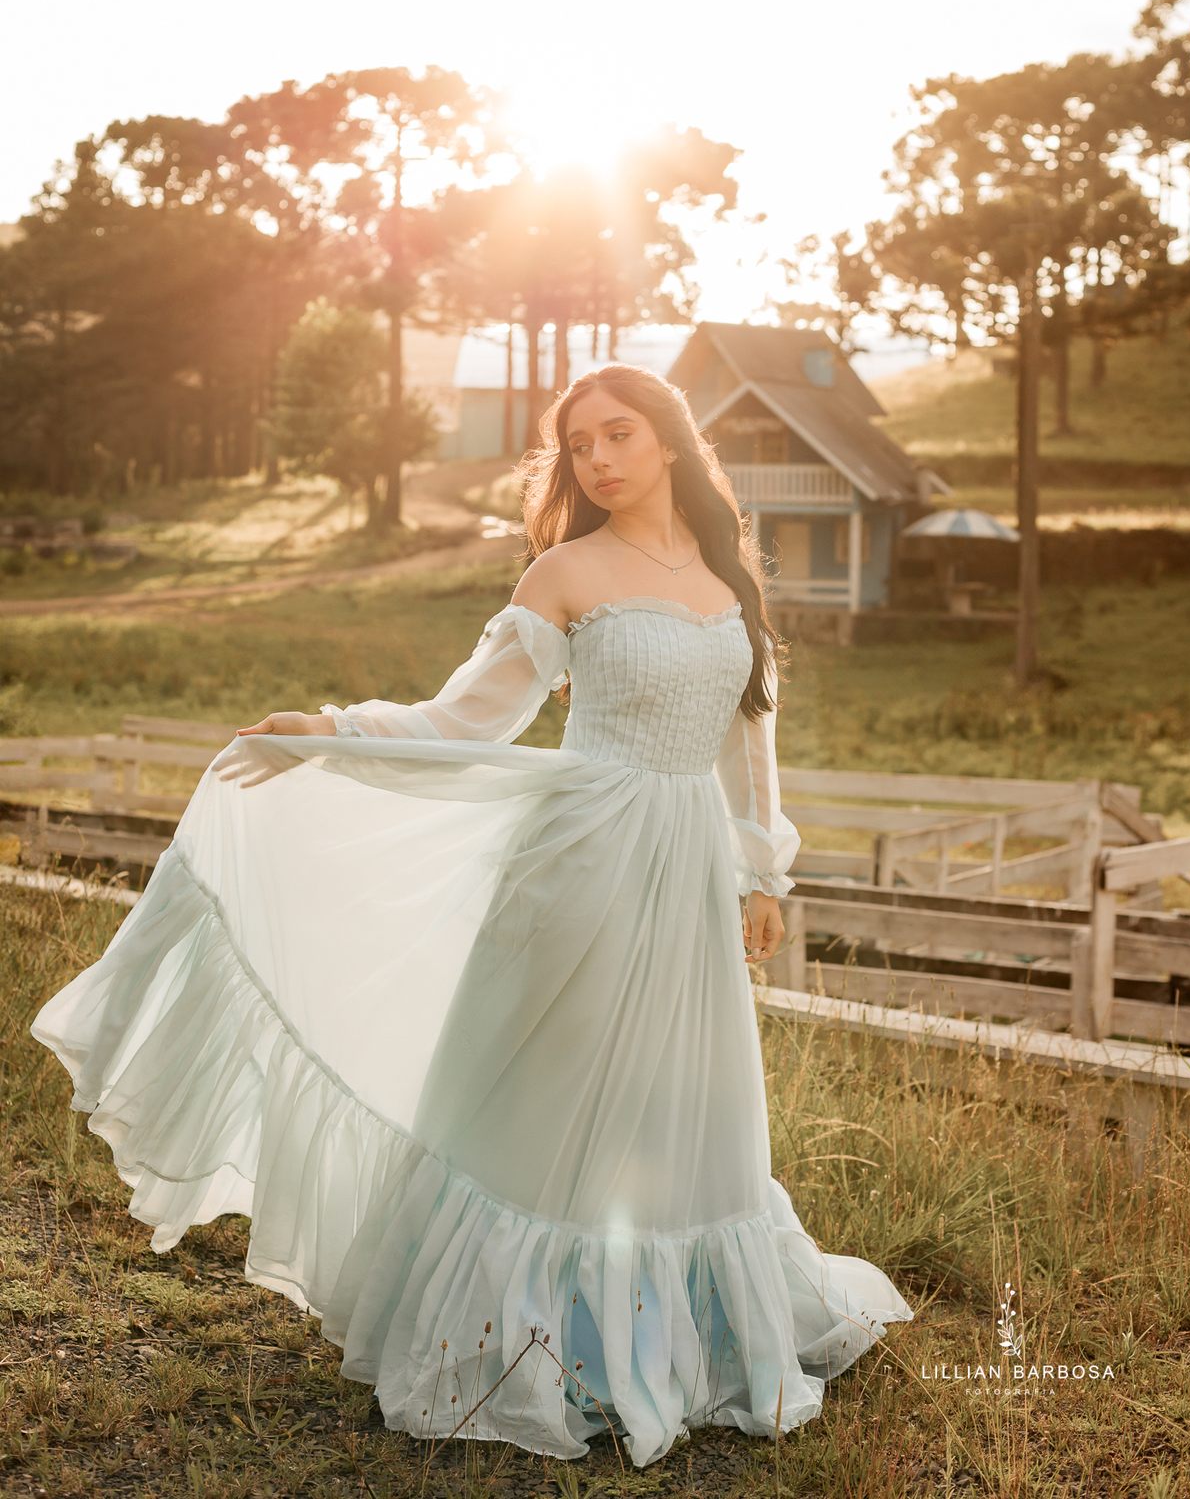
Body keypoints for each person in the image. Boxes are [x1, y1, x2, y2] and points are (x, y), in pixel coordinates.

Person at [32, 363, 910, 1468]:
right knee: (550, 1099)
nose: (596, 459)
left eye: (618, 435)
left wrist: (762, 873)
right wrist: (334, 728)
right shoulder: (565, 572)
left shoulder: (732, 573)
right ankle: (527, 1343)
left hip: (686, 876)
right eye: (578, 444)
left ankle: (688, 1336)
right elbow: (465, 719)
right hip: (580, 865)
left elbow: (750, 742)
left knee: (678, 1100)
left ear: (672, 441)